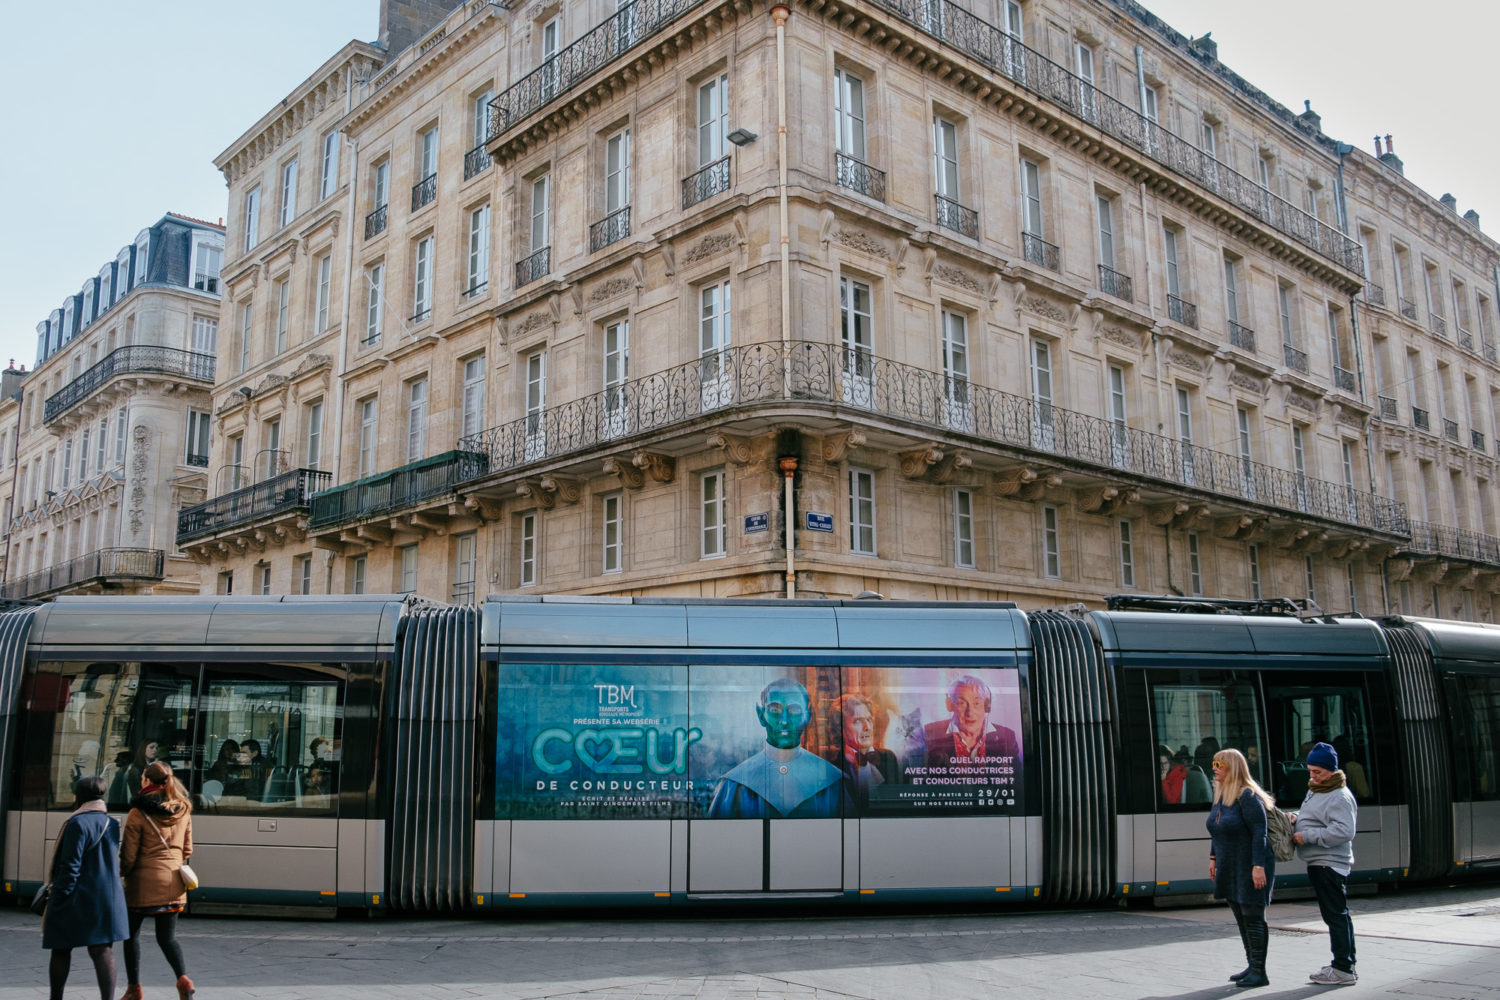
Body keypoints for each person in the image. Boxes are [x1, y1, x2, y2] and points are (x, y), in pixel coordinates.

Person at [41, 775, 130, 1000]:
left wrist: (58, 897)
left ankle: (56, 997)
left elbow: (70, 865)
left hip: (79, 896)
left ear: (80, 796)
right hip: (108, 898)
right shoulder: (111, 823)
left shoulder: (77, 823)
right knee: (102, 951)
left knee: (61, 948)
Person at [708, 678, 848, 818]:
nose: (784, 720)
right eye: (774, 709)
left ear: (808, 715)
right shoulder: (734, 785)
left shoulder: (832, 781)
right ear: (761, 715)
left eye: (794, 709)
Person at [119, 760, 196, 1000]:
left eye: (143, 777)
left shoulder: (137, 812)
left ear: (147, 781)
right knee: (167, 938)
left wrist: (123, 874)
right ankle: (183, 980)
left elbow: (129, 855)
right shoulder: (183, 808)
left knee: (131, 935)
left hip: (142, 883)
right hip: (174, 882)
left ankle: (134, 989)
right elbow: (187, 849)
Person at [1207, 747, 1277, 989]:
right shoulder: (1222, 795)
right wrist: (1213, 857)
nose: (1214, 769)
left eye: (1220, 765)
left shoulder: (1247, 796)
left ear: (1233, 768)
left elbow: (1260, 833)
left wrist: (1258, 866)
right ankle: (1251, 966)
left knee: (1253, 917)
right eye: (1214, 764)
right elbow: (1215, 830)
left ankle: (1260, 972)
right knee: (1240, 916)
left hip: (1249, 864)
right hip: (1230, 864)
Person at [1292, 741, 1359, 986]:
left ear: (1331, 770)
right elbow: (1314, 817)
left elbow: (1344, 831)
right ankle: (1344, 964)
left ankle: (1343, 969)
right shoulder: (1317, 789)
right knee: (1336, 915)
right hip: (1319, 862)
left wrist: (1306, 836)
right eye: (1310, 771)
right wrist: (1296, 817)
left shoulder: (1339, 795)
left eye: (1318, 772)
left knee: (1336, 916)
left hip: (1328, 863)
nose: (1313, 776)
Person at [922, 675, 1020, 769]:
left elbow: (1017, 782)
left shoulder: (1007, 736)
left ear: (986, 706)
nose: (970, 712)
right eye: (961, 703)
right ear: (951, 705)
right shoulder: (930, 733)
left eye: (977, 703)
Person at [826, 694, 899, 805]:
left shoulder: (889, 758)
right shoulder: (833, 768)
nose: (867, 727)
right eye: (858, 721)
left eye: (869, 720)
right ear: (841, 728)